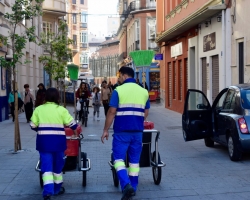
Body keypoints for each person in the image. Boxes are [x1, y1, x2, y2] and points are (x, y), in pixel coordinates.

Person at [101, 66, 150, 200]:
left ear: (124, 75)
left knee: (118, 160)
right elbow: (145, 112)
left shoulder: (118, 90)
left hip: (121, 131)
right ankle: (133, 188)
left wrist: (105, 130)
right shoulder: (144, 91)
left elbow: (111, 111)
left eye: (119, 76)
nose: (119, 78)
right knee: (134, 161)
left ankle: (126, 185)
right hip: (137, 132)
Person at [30, 88, 78, 200]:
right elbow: (72, 124)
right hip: (58, 143)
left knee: (46, 168)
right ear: (57, 97)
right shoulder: (61, 110)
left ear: (45, 97)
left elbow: (32, 125)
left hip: (44, 143)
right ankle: (57, 189)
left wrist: (40, 131)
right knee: (58, 167)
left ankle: (48, 192)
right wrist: (75, 134)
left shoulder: (39, 109)